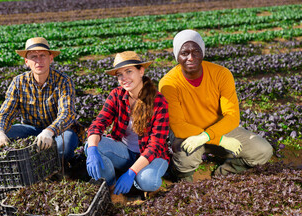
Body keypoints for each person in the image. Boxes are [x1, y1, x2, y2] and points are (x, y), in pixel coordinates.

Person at [158, 29, 273, 182]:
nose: (190, 57)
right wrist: (219, 141)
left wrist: (208, 136)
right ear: (177, 56)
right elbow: (178, 126)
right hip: (188, 134)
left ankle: (226, 171)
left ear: (202, 52)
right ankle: (183, 178)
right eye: (184, 53)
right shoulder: (168, 83)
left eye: (196, 51)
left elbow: (232, 116)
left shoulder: (221, 74)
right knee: (185, 158)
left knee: (263, 150)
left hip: (219, 129)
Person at [85, 51, 170, 197]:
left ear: (141, 71)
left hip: (153, 156)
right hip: (125, 152)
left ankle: (137, 182)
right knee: (91, 145)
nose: (124, 78)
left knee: (148, 181)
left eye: (129, 71)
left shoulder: (158, 102)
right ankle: (111, 185)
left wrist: (131, 173)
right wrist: (92, 150)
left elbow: (155, 145)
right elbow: (98, 123)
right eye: (120, 75)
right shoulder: (117, 95)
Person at [0, 37, 84, 166]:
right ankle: (30, 164)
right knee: (0, 137)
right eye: (33, 57)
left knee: (65, 146)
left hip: (59, 131)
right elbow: (5, 113)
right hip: (31, 129)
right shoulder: (18, 82)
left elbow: (67, 114)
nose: (38, 61)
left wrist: (49, 131)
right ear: (26, 62)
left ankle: (50, 167)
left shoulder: (63, 81)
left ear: (51, 58)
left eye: (42, 55)